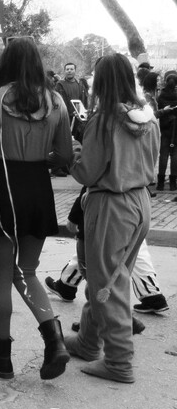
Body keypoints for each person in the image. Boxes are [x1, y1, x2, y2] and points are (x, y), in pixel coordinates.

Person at [0, 36, 73, 381]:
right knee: (27, 270)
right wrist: (38, 159)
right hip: (38, 188)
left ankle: (1, 356)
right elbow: (65, 157)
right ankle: (54, 340)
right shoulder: (55, 102)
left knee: (0, 279)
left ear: (6, 61)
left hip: (3, 185)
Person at [66, 53, 159, 384]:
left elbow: (87, 172)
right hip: (140, 204)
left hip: (110, 206)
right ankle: (89, 342)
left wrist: (72, 156)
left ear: (101, 82)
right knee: (109, 278)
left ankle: (119, 362)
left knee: (110, 284)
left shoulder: (103, 120)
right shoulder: (149, 119)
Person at [45, 189, 169, 317]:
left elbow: (91, 177)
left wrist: (75, 215)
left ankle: (101, 320)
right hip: (137, 200)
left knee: (98, 259)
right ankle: (150, 294)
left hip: (112, 203)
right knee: (128, 250)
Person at [156, 73, 177, 191]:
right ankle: (173, 183)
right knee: (175, 155)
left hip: (165, 128)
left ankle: (160, 183)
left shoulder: (161, 95)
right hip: (176, 128)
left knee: (163, 154)